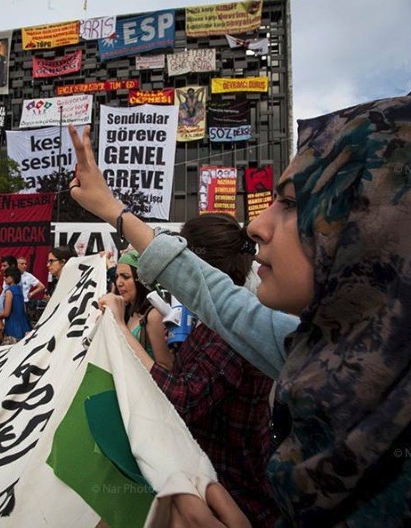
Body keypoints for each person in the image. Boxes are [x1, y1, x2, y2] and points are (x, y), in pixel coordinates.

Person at [67, 96, 411, 525]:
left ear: (385, 229)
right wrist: (110, 208)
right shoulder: (322, 349)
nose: (256, 226)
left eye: (291, 204)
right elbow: (222, 303)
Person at [100, 214, 278, 525]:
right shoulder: (213, 317)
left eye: (178, 260)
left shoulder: (232, 327)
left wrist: (120, 329)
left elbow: (182, 399)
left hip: (235, 500)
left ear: (197, 267)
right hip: (206, 489)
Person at [112, 250, 172, 370]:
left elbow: (166, 367)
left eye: (126, 277)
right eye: (117, 277)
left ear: (142, 280)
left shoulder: (154, 316)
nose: (119, 283)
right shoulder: (128, 310)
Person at [0, 266, 31, 344]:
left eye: (6, 276)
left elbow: (6, 313)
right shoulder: (19, 290)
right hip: (24, 327)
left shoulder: (9, 291)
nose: (4, 278)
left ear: (12, 277)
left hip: (12, 329)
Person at [17, 256, 45, 321]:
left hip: (24, 303)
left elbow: (41, 286)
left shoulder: (28, 276)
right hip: (13, 302)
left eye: (25, 264)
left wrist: (32, 293)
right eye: (22, 264)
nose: (24, 266)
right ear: (16, 264)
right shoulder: (11, 274)